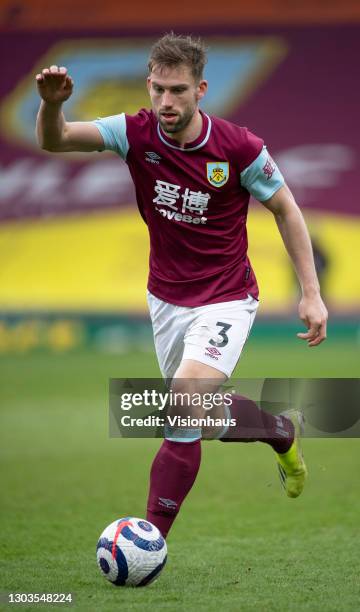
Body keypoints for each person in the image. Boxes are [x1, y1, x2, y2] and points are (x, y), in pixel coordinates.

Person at [35, 33, 328, 539]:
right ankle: (280, 431)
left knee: (183, 401)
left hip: (228, 296)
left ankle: (149, 540)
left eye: (177, 90)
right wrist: (50, 106)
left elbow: (286, 208)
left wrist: (311, 292)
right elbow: (55, 139)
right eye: (157, 89)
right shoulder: (133, 134)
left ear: (201, 90)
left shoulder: (239, 148)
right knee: (199, 415)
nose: (165, 102)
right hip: (166, 300)